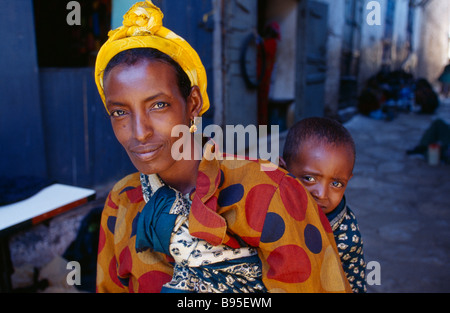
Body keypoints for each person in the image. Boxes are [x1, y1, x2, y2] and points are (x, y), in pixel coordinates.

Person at [94, 1, 351, 293]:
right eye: (119, 112)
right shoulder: (123, 202)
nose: (139, 133)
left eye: (158, 105)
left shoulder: (268, 193)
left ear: (193, 104)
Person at [280, 117, 366, 293]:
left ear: (348, 181)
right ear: (283, 169)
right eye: (309, 179)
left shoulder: (346, 235)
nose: (321, 194)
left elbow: (354, 284)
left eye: (336, 184)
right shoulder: (264, 204)